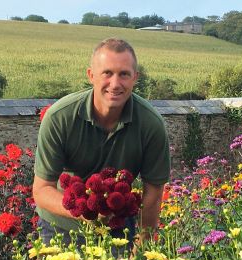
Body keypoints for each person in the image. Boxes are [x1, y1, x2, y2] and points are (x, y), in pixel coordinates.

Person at [33, 38, 171, 249]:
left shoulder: (151, 124)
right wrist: (83, 210)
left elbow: (153, 192)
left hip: (118, 223)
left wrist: (143, 248)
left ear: (135, 78)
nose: (115, 84)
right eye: (107, 73)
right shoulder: (60, 117)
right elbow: (42, 190)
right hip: (62, 226)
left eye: (124, 74)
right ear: (91, 76)